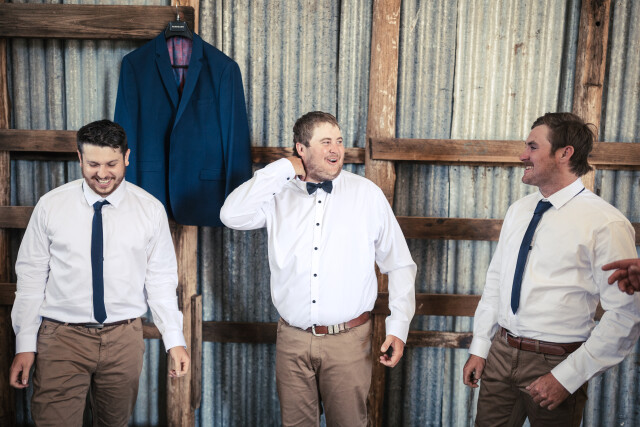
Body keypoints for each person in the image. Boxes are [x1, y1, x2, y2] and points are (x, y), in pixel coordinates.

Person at [220, 111, 416, 426]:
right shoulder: (277, 195)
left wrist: (398, 327)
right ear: (302, 149)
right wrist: (284, 169)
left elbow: (400, 263)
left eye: (339, 141)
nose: (336, 149)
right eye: (325, 142)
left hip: (348, 341)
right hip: (292, 340)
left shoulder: (366, 194)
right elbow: (231, 215)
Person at [462, 112, 640, 426]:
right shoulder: (518, 211)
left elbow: (625, 314)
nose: (522, 155)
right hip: (500, 353)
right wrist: (481, 346)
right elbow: (496, 282)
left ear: (564, 153)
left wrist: (568, 377)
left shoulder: (605, 223)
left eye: (532, 147)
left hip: (556, 362)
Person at [9, 120, 190, 426]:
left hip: (124, 338)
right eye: (93, 164)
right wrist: (25, 344)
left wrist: (174, 339)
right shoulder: (51, 206)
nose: (103, 174)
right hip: (61, 337)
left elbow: (160, 280)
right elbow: (31, 277)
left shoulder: (150, 210)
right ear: (79, 158)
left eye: (111, 164)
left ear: (127, 157)